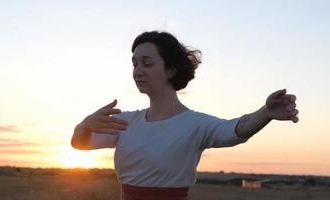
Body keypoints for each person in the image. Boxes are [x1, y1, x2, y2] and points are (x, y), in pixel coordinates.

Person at [71, 31, 299, 200]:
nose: (138, 71)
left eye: (147, 63)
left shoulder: (195, 124)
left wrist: (266, 113)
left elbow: (235, 130)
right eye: (134, 63)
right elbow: (79, 144)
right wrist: (84, 125)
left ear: (171, 70)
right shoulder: (126, 122)